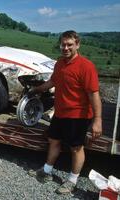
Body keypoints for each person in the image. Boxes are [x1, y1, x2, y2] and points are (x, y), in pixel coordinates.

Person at [28, 30, 102, 194]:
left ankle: (71, 181)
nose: (66, 48)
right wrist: (37, 90)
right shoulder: (60, 63)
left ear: (77, 45)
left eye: (70, 44)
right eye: (63, 44)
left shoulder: (86, 66)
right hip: (60, 113)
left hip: (78, 116)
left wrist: (98, 120)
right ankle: (46, 171)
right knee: (53, 141)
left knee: (76, 148)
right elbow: (53, 81)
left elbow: (94, 94)